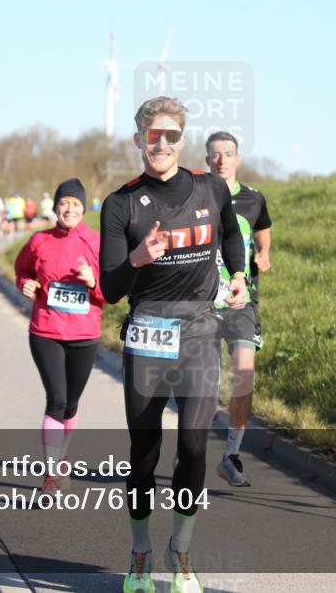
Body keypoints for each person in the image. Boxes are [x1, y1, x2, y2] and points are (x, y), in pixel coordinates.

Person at [100, 96, 248, 593]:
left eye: (170, 135)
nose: (160, 143)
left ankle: (180, 551)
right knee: (144, 449)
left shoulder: (210, 188)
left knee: (193, 448)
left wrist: (241, 273)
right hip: (147, 334)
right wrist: (138, 257)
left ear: (182, 140)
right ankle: (140, 552)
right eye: (151, 134)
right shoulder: (120, 203)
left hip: (200, 333)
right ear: (138, 139)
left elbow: (231, 237)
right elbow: (112, 288)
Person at [15, 178, 104, 494]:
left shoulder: (96, 242)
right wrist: (25, 284)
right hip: (46, 331)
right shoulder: (39, 240)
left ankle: (62, 455)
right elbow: (23, 270)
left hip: (84, 333)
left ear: (84, 209)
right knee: (57, 399)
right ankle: (51, 474)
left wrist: (94, 281)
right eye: (64, 203)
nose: (70, 209)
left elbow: (113, 292)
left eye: (76, 204)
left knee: (72, 403)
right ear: (55, 208)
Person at [204, 131, 273, 487]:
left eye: (228, 154)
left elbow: (263, 229)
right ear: (206, 160)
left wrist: (264, 253)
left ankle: (231, 455)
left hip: (242, 302)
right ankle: (191, 445)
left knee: (245, 373)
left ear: (238, 158)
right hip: (202, 303)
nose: (222, 160)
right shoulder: (196, 196)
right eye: (215, 154)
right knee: (203, 382)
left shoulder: (253, 199)